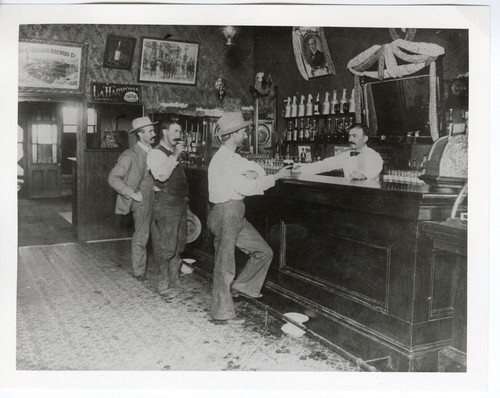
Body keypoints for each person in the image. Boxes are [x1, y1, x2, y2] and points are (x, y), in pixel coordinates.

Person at [207, 112, 291, 324]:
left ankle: (243, 287)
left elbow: (256, 167)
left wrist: (256, 172)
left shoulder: (234, 157)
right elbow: (246, 186)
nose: (246, 134)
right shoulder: (224, 160)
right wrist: (276, 177)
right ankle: (221, 313)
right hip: (226, 211)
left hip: (235, 211)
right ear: (233, 134)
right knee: (224, 264)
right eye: (243, 131)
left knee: (263, 252)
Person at [108, 116, 158, 280]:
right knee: (142, 235)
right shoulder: (130, 155)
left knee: (157, 234)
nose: (154, 133)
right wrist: (131, 193)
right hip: (141, 200)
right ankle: (139, 272)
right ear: (140, 133)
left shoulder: (153, 152)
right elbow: (113, 178)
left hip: (155, 197)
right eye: (150, 131)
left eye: (153, 130)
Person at [147, 119, 189, 297]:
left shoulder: (172, 153)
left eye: (180, 132)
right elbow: (162, 175)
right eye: (176, 131)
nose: (179, 136)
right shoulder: (156, 153)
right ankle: (162, 283)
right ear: (165, 132)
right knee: (167, 245)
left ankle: (174, 280)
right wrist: (175, 155)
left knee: (179, 244)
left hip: (180, 202)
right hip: (166, 203)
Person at [296, 124, 383, 181]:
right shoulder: (346, 155)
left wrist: (363, 174)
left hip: (369, 198)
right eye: (349, 136)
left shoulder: (374, 156)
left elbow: (374, 169)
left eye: (354, 136)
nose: (350, 139)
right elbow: (325, 164)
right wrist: (300, 170)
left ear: (365, 139)